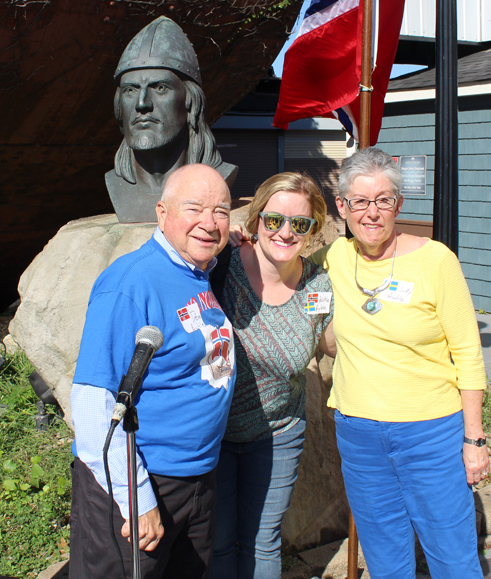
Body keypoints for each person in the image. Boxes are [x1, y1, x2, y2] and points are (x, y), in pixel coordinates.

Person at [310, 147, 489, 579]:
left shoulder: (435, 261)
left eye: (383, 200)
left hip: (431, 434)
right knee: (385, 558)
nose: (372, 213)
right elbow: (281, 265)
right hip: (359, 434)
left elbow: (468, 352)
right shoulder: (333, 259)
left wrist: (475, 439)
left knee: (453, 557)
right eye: (361, 201)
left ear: (398, 204)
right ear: (343, 206)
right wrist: (242, 241)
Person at [69, 164, 236, 579]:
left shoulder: (197, 271)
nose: (209, 223)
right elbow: (93, 404)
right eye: (194, 208)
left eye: (221, 212)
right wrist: (138, 499)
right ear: (162, 214)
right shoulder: (130, 282)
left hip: (196, 479)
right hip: (138, 481)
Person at [210, 172, 336, 579]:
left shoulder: (319, 288)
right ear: (256, 218)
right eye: (273, 220)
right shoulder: (220, 268)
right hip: (213, 435)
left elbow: (333, 343)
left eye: (299, 223)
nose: (285, 232)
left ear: (313, 229)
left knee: (263, 542)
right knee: (219, 542)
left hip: (279, 434)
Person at [106, 16, 237, 223]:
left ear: (191, 104)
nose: (142, 104)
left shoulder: (220, 177)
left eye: (160, 88)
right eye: (130, 90)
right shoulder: (114, 182)